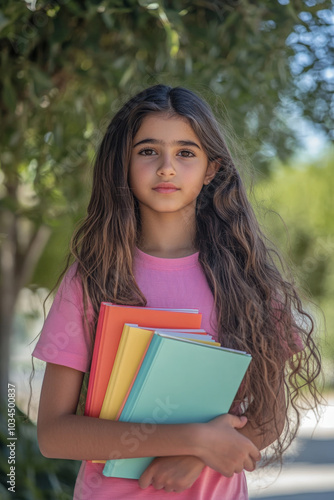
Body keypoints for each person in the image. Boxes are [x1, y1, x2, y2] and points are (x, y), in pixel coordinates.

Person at [32, 84, 321, 499]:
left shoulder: (248, 279)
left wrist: (196, 456)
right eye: (148, 151)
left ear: (211, 169)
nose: (167, 167)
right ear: (123, 165)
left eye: (186, 152)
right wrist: (192, 439)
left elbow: (269, 414)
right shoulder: (90, 280)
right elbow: (54, 434)